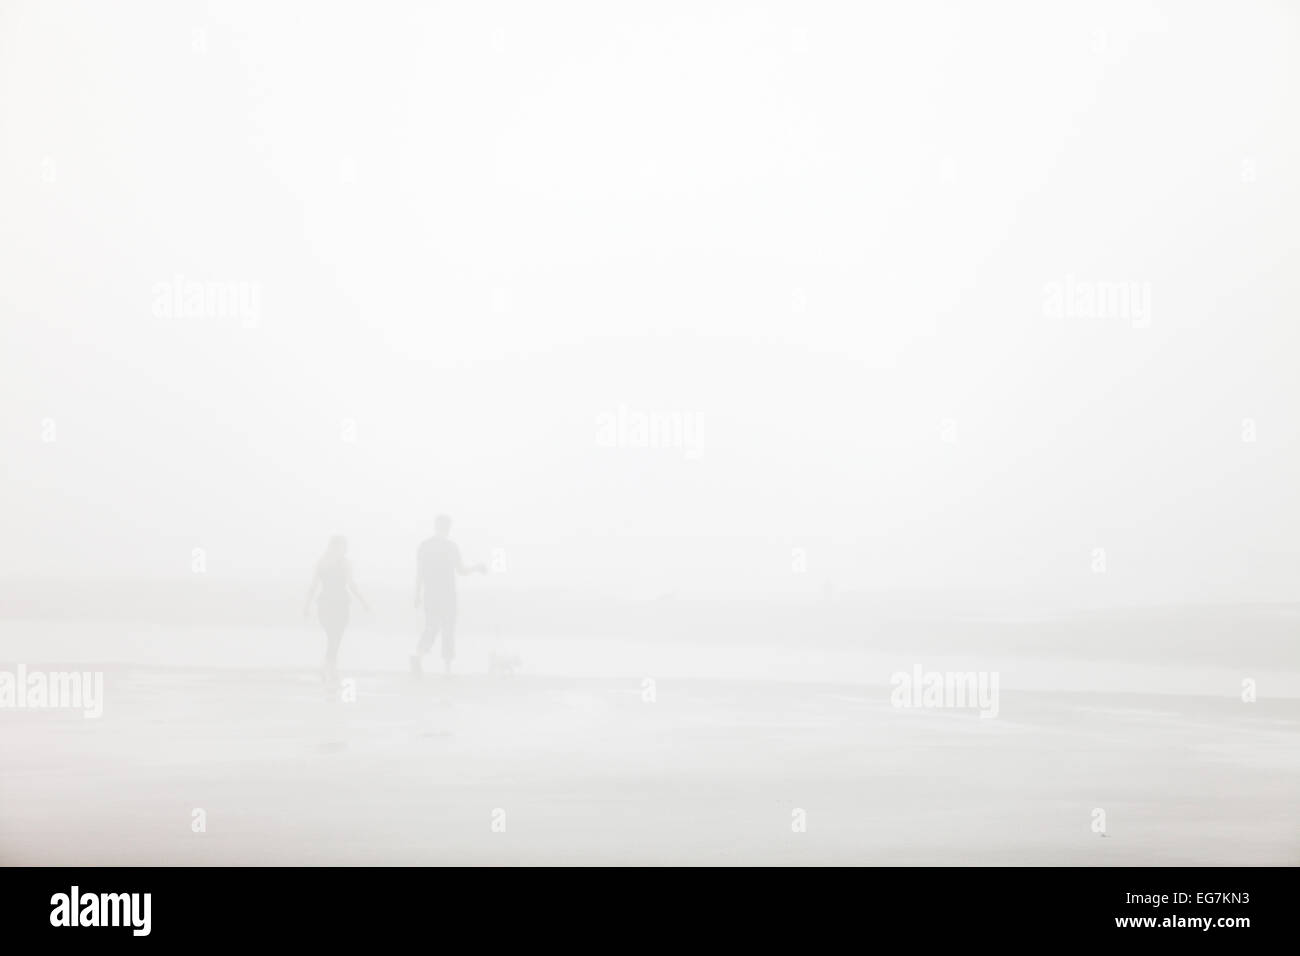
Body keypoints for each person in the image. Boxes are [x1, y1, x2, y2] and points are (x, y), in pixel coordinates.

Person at [413, 515, 486, 675]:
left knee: (431, 627)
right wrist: (477, 568)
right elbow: (461, 571)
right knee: (448, 629)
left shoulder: (424, 546)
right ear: (449, 528)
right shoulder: (451, 547)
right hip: (448, 595)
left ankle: (418, 656)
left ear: (435, 526)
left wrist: (417, 594)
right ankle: (447, 669)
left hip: (430, 594)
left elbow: (419, 572)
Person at [304, 535, 369, 681]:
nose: (344, 550)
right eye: (342, 547)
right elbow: (313, 586)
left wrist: (363, 602)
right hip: (328, 603)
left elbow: (352, 585)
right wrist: (306, 606)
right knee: (333, 635)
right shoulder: (323, 563)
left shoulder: (343, 563)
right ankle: (330, 667)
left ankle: (329, 667)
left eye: (345, 547)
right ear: (334, 547)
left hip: (340, 604)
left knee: (336, 636)